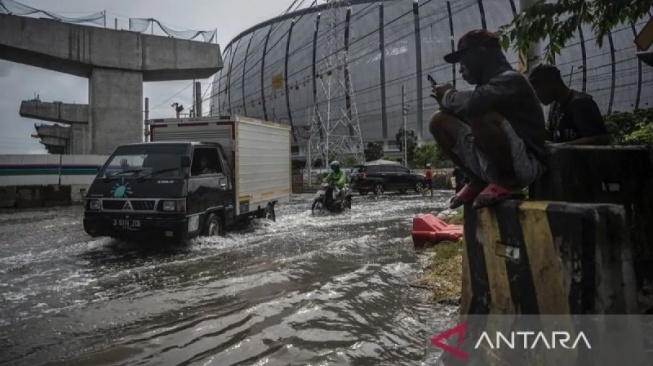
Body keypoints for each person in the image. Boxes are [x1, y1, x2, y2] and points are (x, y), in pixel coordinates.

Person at [429, 29, 547, 209]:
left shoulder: (511, 80)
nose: (461, 68)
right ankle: (477, 181)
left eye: (464, 61)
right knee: (439, 121)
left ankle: (508, 184)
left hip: (524, 165)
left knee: (480, 113)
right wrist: (448, 107)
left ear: (480, 56)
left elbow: (476, 103)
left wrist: (448, 97)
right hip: (495, 163)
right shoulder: (487, 88)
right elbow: (471, 104)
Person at [527, 64, 611, 146]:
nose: (535, 94)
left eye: (536, 87)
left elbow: (601, 138)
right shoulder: (555, 105)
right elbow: (552, 137)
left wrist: (562, 147)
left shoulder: (581, 103)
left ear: (551, 81)